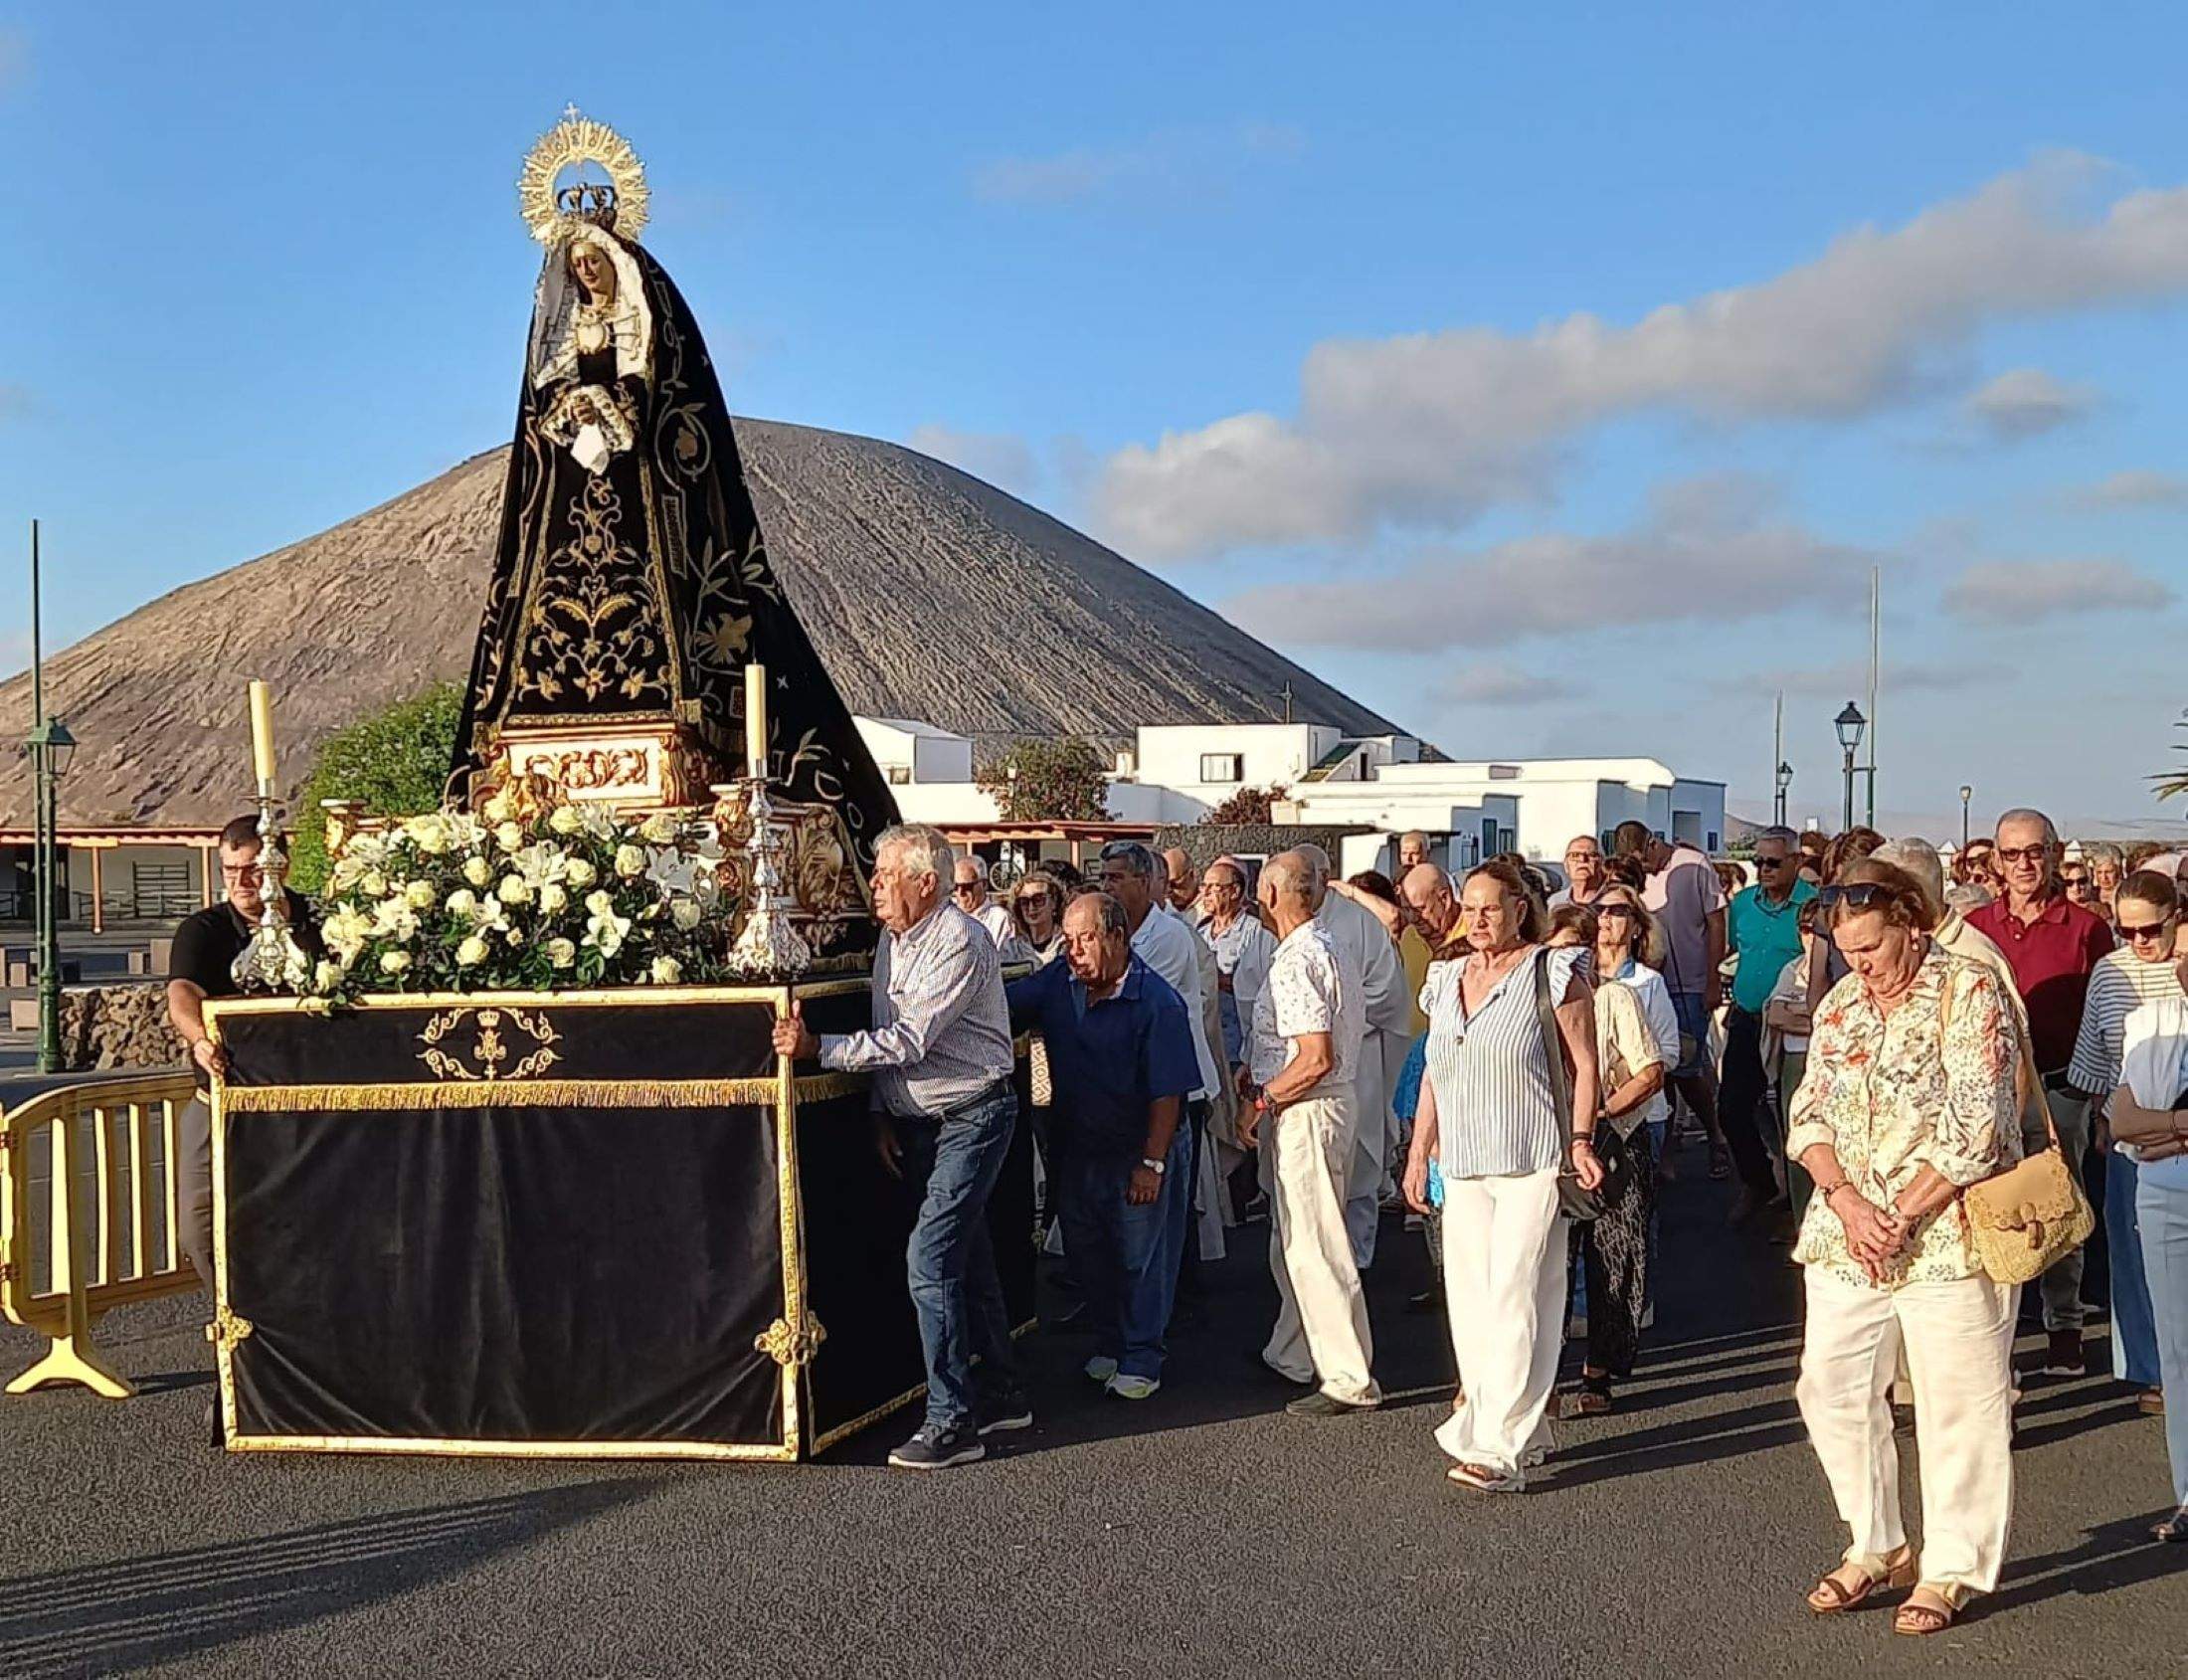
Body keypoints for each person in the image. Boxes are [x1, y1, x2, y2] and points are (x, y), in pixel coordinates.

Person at [1786, 860, 2021, 1634]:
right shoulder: (1840, 1006)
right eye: (1849, 950)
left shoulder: (1968, 988)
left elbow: (1977, 1126)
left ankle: (1951, 1566)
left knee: (1959, 1404)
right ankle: (1878, 1539)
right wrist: (1850, 1203)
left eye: (1874, 946)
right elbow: (1808, 1113)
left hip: (1947, 1234)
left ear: (1911, 923)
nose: (1862, 963)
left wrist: (1902, 1213)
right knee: (1830, 1387)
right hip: (1846, 1231)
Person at [772, 824, 1021, 1471]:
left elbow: (909, 1039)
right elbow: (886, 1024)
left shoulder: (960, 943)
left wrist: (817, 1049)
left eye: (886, 875)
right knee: (969, 1254)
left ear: (927, 882)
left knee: (931, 1254)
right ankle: (1001, 1387)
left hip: (974, 1112)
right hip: (920, 1120)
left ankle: (952, 1420)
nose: (875, 886)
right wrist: (884, 1109)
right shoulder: (892, 938)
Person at [1402, 860, 1603, 1492]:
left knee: (1518, 1297)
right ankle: (1525, 1427)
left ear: (1521, 908)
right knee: (1471, 1301)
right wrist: (1418, 1150)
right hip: (1462, 1162)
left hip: (1533, 1158)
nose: (1480, 918)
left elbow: (1586, 1065)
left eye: (1493, 907)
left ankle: (1497, 1446)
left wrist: (1580, 1139)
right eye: (1472, 906)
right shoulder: (1443, 977)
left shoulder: (1554, 972)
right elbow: (1436, 1067)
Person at [1005, 893, 1198, 1400]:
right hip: (1079, 1149)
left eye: (1086, 939)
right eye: (1068, 940)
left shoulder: (1158, 1002)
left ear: (1117, 936)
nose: (1074, 951)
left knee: (1141, 1257)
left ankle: (1142, 1357)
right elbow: (1006, 1008)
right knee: (1089, 1252)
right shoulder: (1059, 981)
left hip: (1139, 1147)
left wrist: (1152, 1164)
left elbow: (1168, 1094)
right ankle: (1112, 1344)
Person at [1966, 808, 2114, 1379]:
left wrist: (2098, 1094)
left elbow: (2106, 1016)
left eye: (2035, 851)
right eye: (2012, 854)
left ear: (2054, 855)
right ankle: (1995, 1342)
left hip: (2061, 1090)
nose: (2024, 863)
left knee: (2059, 1207)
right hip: (1994, 1096)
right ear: (1996, 863)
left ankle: (2065, 1326)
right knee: (1992, 1211)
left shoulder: (2085, 929)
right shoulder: (1977, 927)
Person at [1238, 850, 1379, 1417]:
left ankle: (1347, 1375)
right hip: (1324, 1104)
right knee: (1295, 1236)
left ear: (1272, 893)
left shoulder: (1298, 958)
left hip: (1309, 1107)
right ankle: (1295, 1349)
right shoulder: (1328, 944)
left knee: (1315, 1243)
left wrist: (1264, 1098)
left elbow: (1315, 1056)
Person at [165, 816, 324, 1293]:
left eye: (253, 868)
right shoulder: (204, 930)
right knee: (199, 1226)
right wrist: (200, 1038)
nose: (241, 881)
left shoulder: (320, 923)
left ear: (281, 866)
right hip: (220, 1099)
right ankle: (236, 1318)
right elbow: (182, 992)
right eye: (230, 870)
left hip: (303, 1107)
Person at [2069, 870, 2186, 1411]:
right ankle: (2153, 1371)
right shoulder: (2109, 974)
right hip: (2128, 1137)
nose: (2139, 943)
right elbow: (2093, 1058)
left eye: (2150, 931)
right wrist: (2099, 1124)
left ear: (2175, 918)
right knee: (2135, 1257)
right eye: (2126, 931)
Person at [1549, 904, 1662, 1413]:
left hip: (1615, 1141)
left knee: (1614, 1258)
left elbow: (1649, 1072)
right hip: (1552, 1146)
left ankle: (1598, 1371)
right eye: (1555, 951)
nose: (1565, 961)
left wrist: (1598, 1114)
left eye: (1575, 950)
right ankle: (1543, 1376)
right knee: (1549, 1264)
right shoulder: (1534, 1003)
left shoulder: (1616, 998)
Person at [1301, 844, 1410, 1269]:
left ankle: (1358, 1255)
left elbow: (1385, 987)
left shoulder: (1360, 923)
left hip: (1354, 1055)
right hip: (1300, 1062)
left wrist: (1335, 1024)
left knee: (1359, 1157)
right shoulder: (1281, 924)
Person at [2106, 1015, 2188, 1540]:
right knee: (2178, 1353)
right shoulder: (2151, 1020)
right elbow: (2125, 1122)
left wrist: (2170, 1129)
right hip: (2162, 1194)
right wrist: (2184, 1128)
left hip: (2163, 1168)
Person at [1615, 820, 1729, 1180]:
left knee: (1687, 1067)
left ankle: (1715, 1136)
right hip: (1644, 984)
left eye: (1643, 861)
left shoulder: (1694, 865)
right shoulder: (1632, 880)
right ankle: (1665, 1148)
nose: (1644, 871)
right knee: (1652, 1069)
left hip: (1688, 984)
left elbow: (1716, 920)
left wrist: (1712, 977)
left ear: (1653, 844)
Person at [1719, 828, 1816, 1221]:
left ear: (1796, 862)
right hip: (1747, 1014)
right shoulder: (1743, 904)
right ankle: (1758, 1182)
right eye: (1758, 861)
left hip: (1792, 1024)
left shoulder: (1812, 907)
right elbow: (1731, 948)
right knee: (1732, 1108)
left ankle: (1801, 1208)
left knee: (1795, 1114)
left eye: (1774, 862)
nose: (1764, 870)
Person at [952, 854, 1015, 946]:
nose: (960, 893)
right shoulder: (947, 914)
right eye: (955, 886)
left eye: (967, 887)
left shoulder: (999, 918)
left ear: (984, 884)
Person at [1007, 869, 1067, 965]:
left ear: (1054, 902)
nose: (1031, 908)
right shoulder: (1011, 949)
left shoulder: (1068, 945)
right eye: (1024, 902)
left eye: (1038, 900)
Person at [1548, 836, 1606, 909]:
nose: (1582, 859)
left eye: (1592, 855)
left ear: (1602, 863)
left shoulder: (1613, 900)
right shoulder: (1555, 902)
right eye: (1575, 855)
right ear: (1566, 865)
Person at [2086, 841, 2127, 924]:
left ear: (2119, 870)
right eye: (2099, 872)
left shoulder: (2127, 894)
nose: (2104, 878)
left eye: (2109, 872)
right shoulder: (2089, 895)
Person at [1160, 846, 1200, 917]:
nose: (1168, 890)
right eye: (1164, 884)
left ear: (1192, 875)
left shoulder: (1210, 908)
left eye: (1173, 884)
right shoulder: (1160, 909)